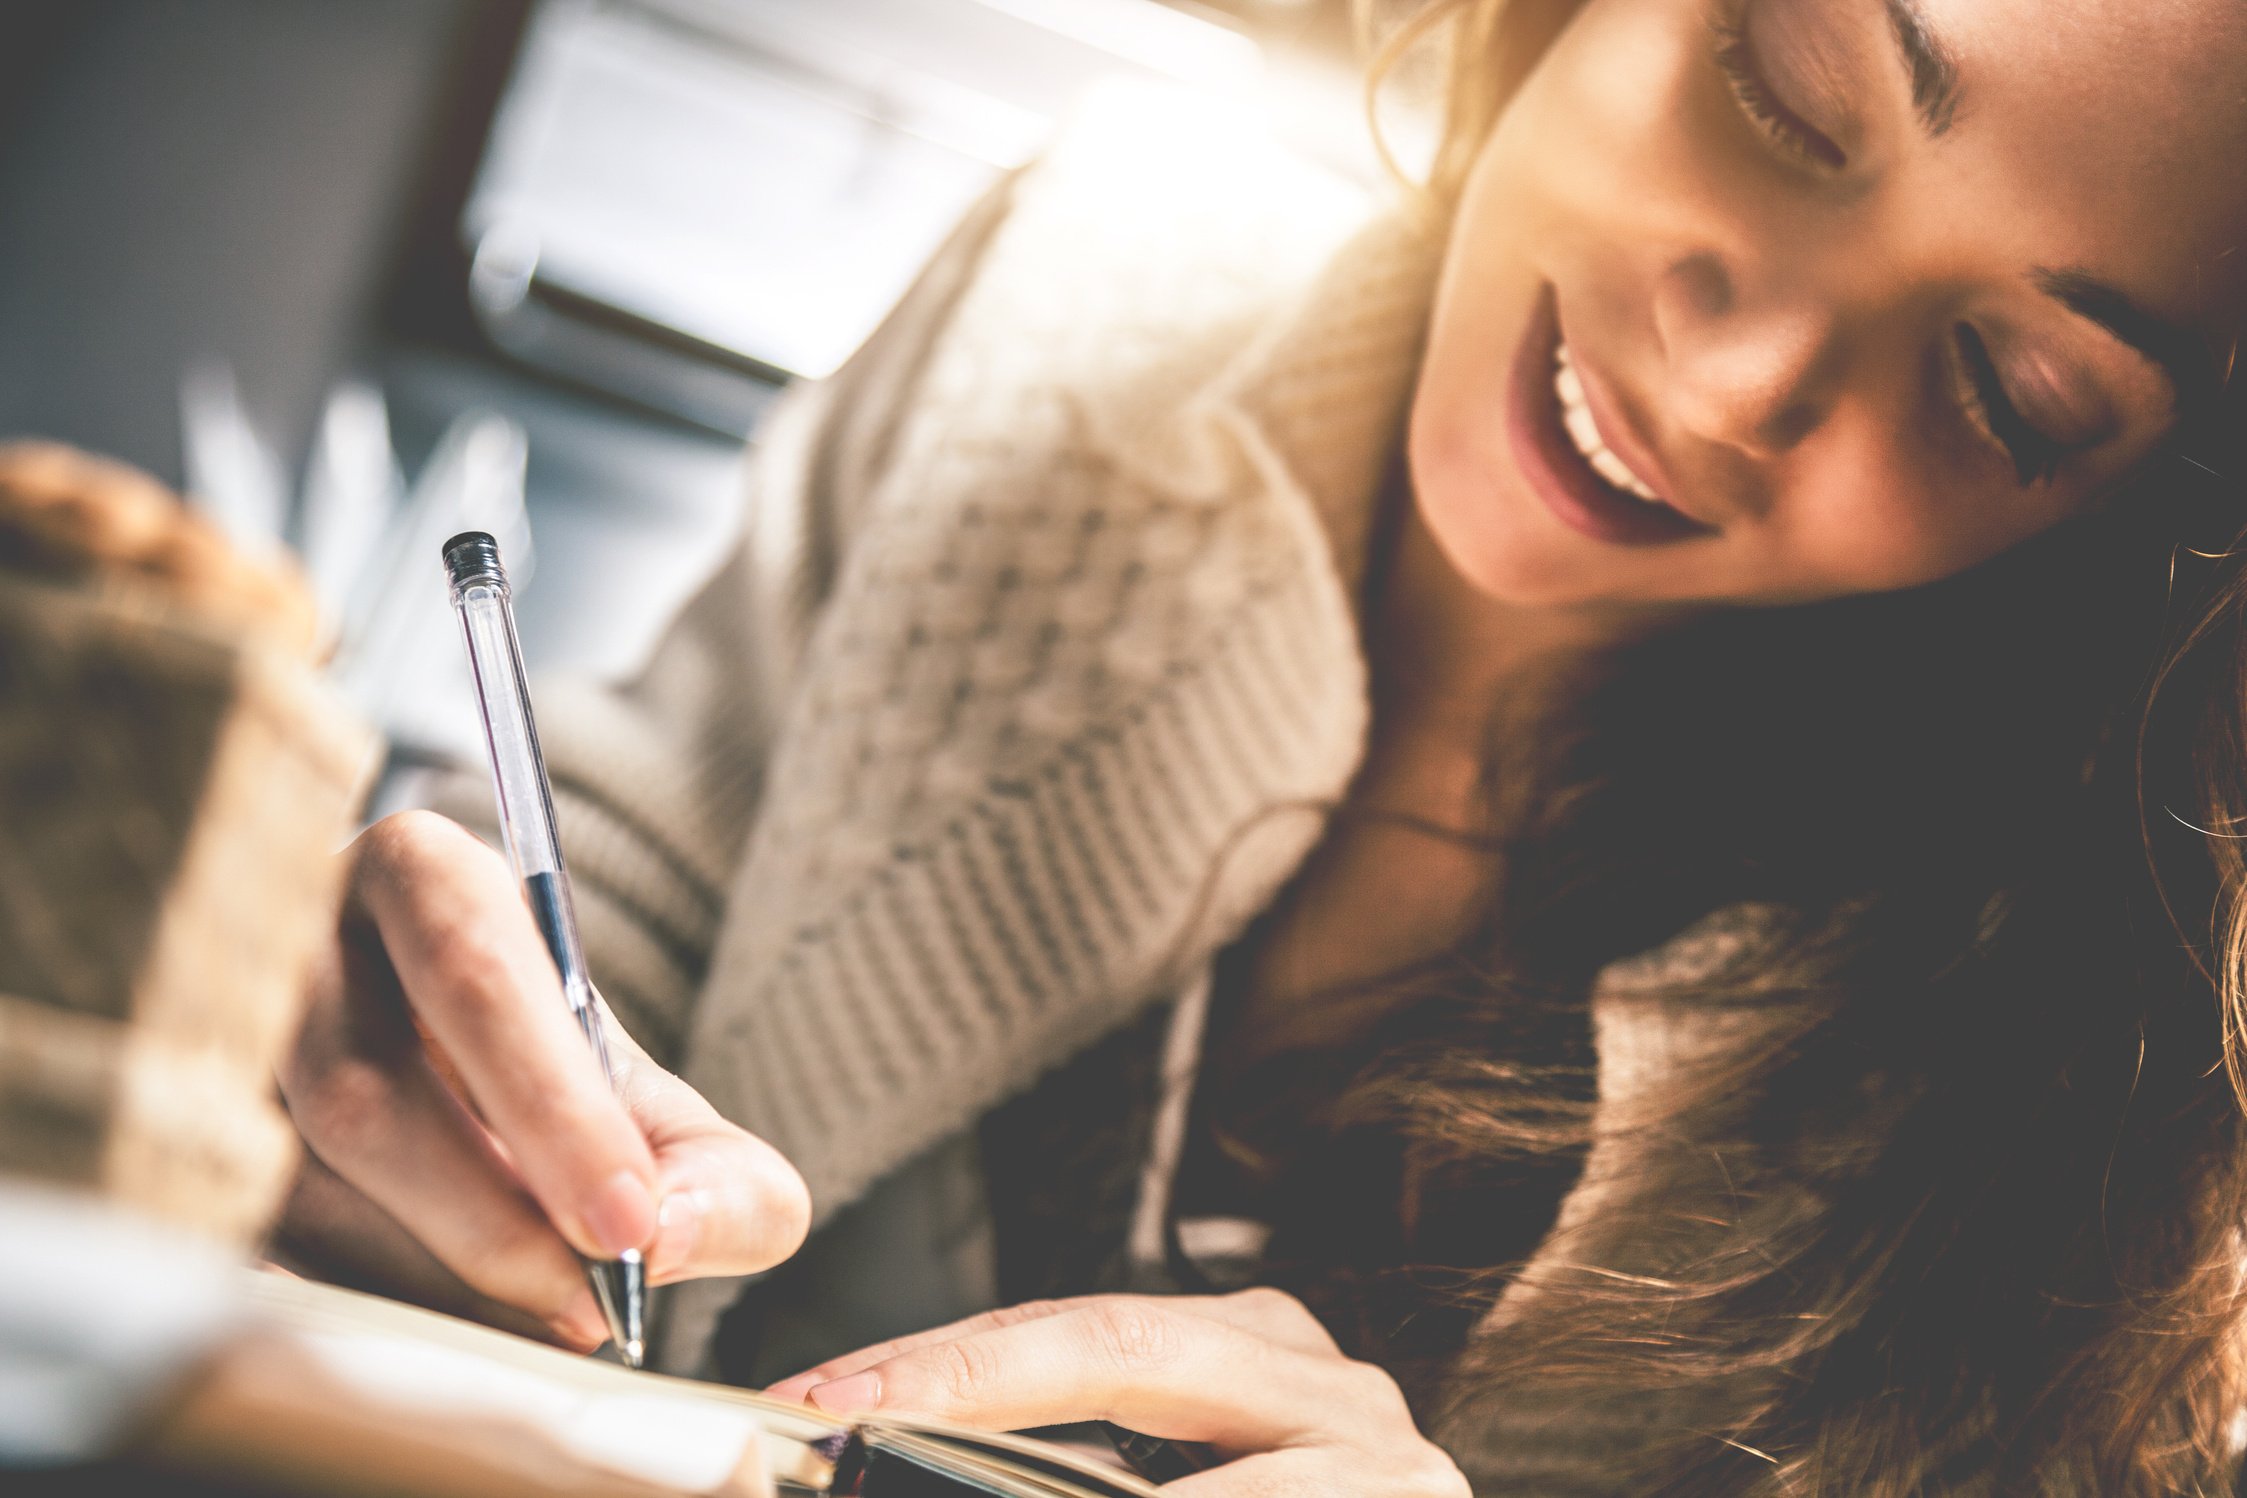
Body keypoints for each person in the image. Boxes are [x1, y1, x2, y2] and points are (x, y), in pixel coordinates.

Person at [269, 0, 2247, 1491]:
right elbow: (623, 889)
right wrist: (380, 1054)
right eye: (1780, 97)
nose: (1735, 380)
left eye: (2008, 391)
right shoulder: (1071, 298)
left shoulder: (2116, 1100)